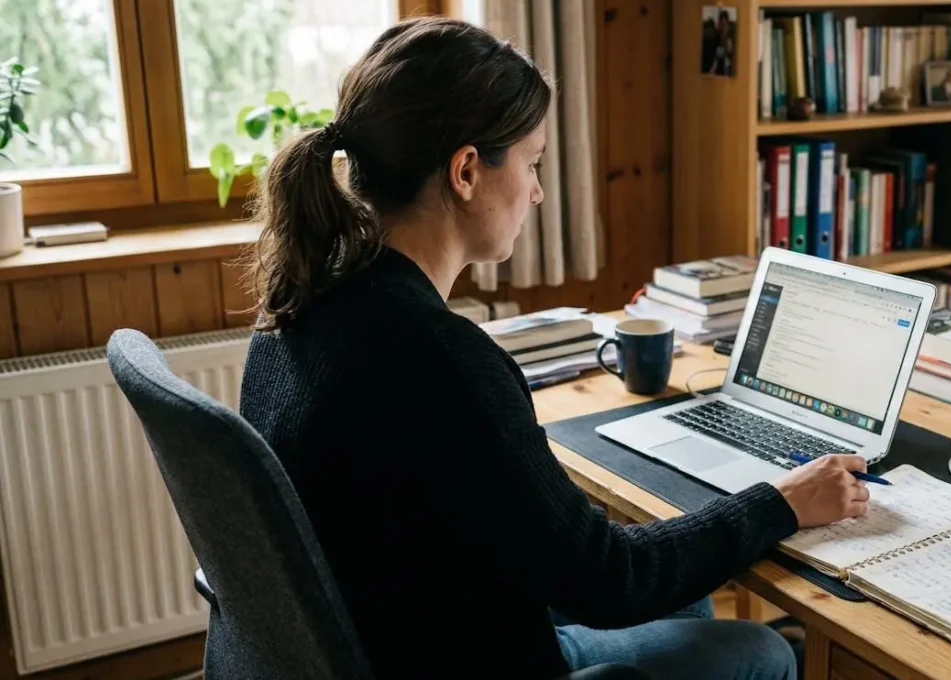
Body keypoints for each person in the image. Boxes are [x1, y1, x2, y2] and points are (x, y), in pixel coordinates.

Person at [237, 16, 873, 680]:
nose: (537, 190)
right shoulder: (442, 360)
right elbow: (609, 582)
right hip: (470, 660)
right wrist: (783, 501)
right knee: (764, 652)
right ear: (465, 172)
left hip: (401, 628)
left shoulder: (301, 303)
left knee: (688, 597)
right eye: (533, 163)